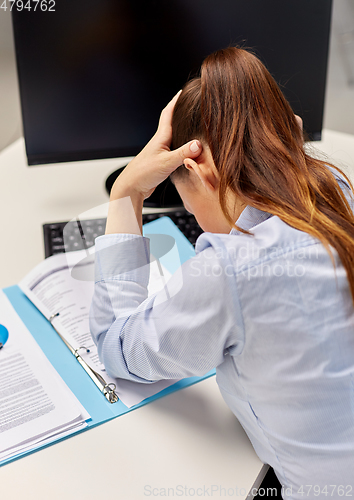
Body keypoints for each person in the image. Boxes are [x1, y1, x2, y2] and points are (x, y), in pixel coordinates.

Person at [90, 47, 354, 499]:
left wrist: (126, 193)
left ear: (194, 167)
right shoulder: (340, 196)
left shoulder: (232, 269)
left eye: (182, 192)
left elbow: (118, 346)